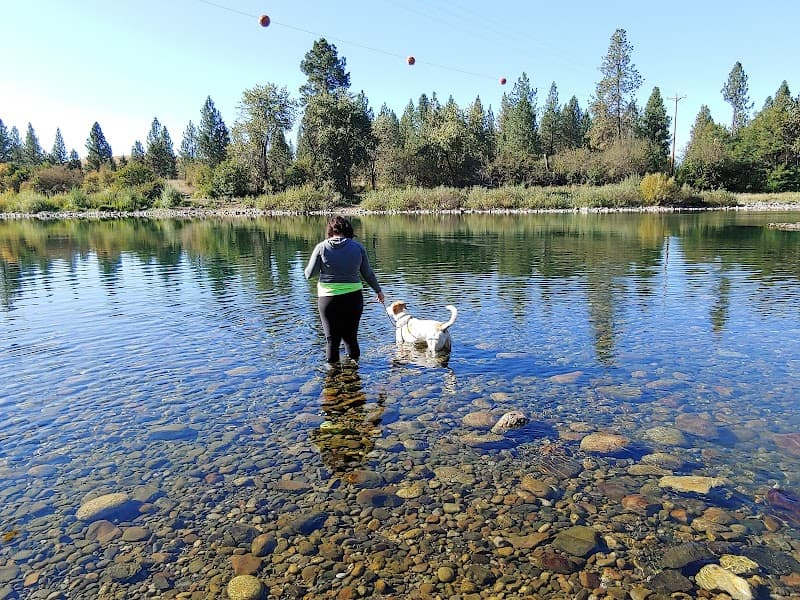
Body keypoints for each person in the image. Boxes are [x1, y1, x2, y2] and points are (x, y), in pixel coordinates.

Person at [305, 215, 384, 367]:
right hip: (353, 299)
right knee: (351, 338)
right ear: (348, 230)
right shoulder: (358, 247)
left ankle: (332, 381)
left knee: (332, 340)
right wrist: (378, 291)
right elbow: (368, 273)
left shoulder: (321, 247)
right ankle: (353, 378)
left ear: (330, 230)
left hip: (328, 299)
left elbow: (309, 275)